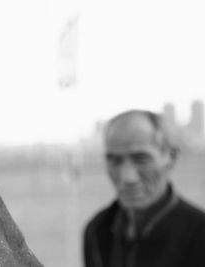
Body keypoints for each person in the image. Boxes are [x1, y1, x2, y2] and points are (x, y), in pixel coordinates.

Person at [84, 109, 205, 267]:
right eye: (115, 161)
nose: (128, 177)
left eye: (141, 159)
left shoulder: (199, 235)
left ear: (171, 157)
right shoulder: (97, 230)